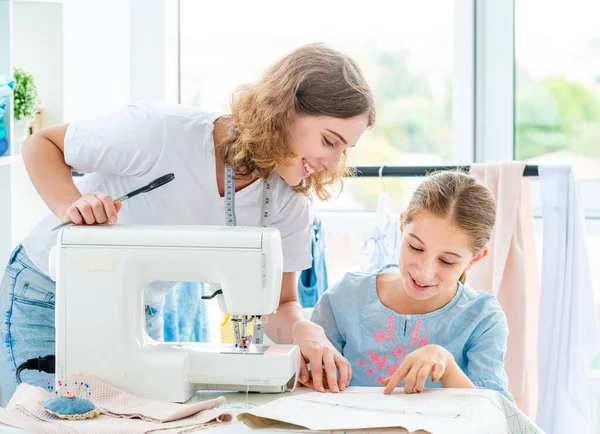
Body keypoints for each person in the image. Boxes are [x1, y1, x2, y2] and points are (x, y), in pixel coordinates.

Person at [0, 43, 376, 405]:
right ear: (285, 108)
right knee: (45, 420)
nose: (333, 163)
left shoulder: (290, 204)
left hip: (134, 316)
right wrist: (74, 207)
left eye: (345, 150)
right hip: (47, 297)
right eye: (330, 141)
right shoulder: (159, 132)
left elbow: (280, 303)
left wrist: (302, 329)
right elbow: (42, 145)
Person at [311, 171, 514, 402]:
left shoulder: (483, 318)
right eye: (416, 247)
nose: (424, 272)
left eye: (447, 261)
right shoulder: (345, 298)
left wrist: (448, 367)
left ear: (475, 259)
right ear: (401, 225)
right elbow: (306, 392)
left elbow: (497, 417)